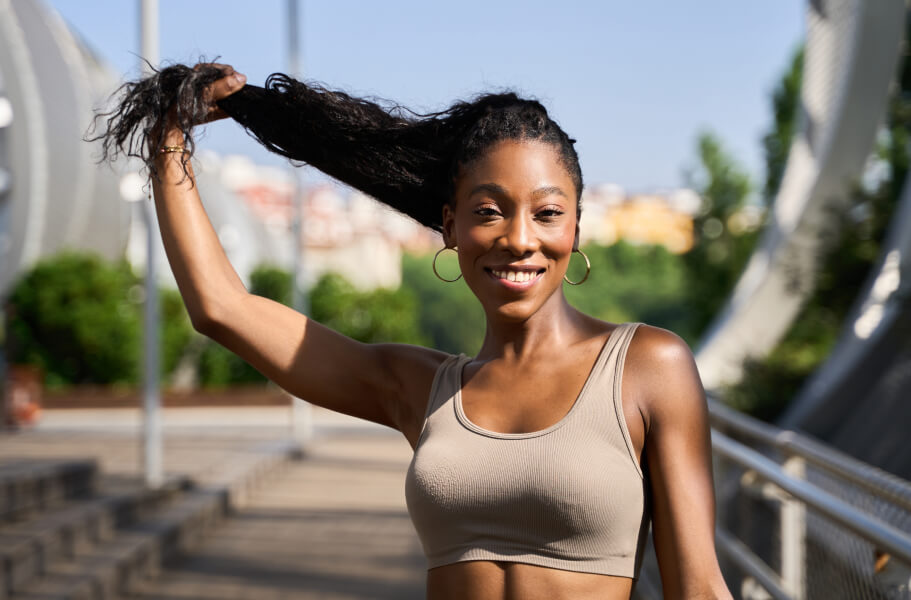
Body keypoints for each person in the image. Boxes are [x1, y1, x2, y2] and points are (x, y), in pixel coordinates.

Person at [95, 63, 732, 600]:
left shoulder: (647, 367)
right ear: (450, 227)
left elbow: (699, 589)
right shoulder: (419, 388)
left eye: (546, 213)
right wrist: (168, 139)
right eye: (489, 211)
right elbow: (221, 309)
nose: (519, 238)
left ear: (575, 229)